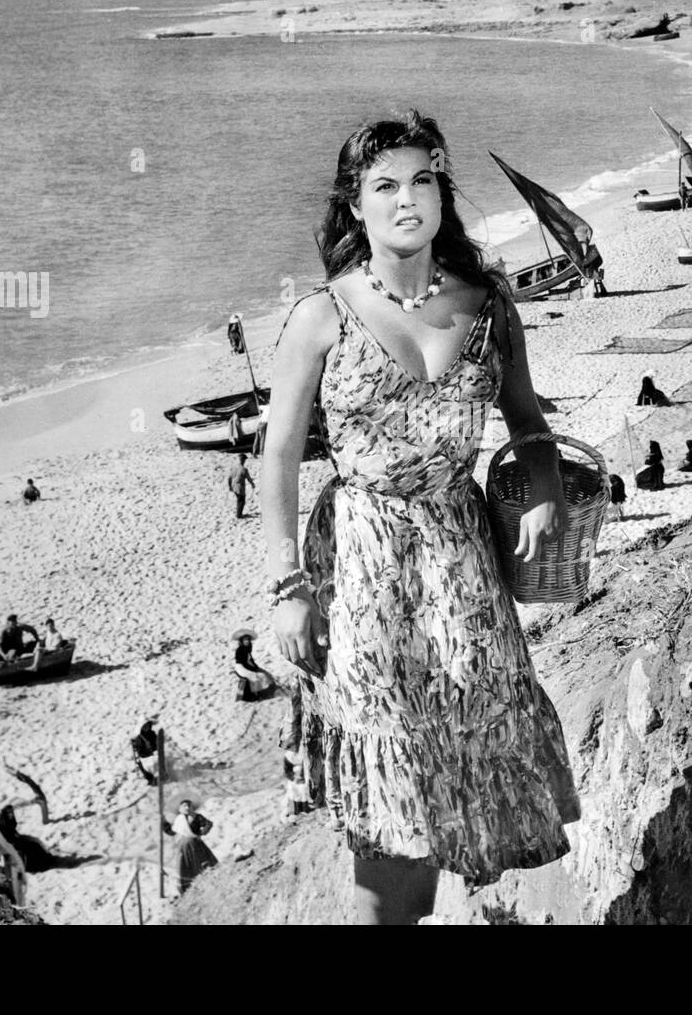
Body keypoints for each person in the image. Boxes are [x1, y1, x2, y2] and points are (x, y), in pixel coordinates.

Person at [260, 109, 579, 924]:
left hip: (461, 567)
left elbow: (527, 418)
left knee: (453, 776)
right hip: (364, 567)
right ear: (354, 207)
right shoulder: (318, 318)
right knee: (389, 797)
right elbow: (281, 458)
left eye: (424, 181)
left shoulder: (489, 306)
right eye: (385, 185)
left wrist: (542, 481)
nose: (409, 200)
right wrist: (289, 586)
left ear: (444, 194)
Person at [162, 799, 218, 896]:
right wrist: (163, 823)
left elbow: (208, 824)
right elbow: (171, 832)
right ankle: (187, 888)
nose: (187, 808)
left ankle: (208, 882)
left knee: (203, 863)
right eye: (184, 806)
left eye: (189, 805)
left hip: (196, 844)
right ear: (180, 809)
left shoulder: (196, 817)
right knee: (184, 866)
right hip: (183, 846)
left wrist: (202, 832)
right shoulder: (178, 820)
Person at [232, 628, 275, 702]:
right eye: (245, 640)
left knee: (263, 673)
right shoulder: (239, 650)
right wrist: (253, 669)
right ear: (242, 641)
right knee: (254, 676)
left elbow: (250, 659)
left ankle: (257, 692)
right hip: (241, 667)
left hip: (246, 665)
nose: (247, 641)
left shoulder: (247, 648)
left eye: (248, 639)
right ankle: (250, 696)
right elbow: (243, 663)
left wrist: (256, 667)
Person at [227, 453, 256, 518]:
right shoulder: (244, 469)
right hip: (240, 487)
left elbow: (229, 478)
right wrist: (252, 484)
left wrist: (230, 486)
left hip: (233, 486)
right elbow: (249, 478)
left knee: (238, 499)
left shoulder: (234, 468)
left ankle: (238, 513)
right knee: (241, 501)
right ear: (243, 460)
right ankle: (239, 515)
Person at [131, 720, 159, 785]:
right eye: (144, 726)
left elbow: (157, 743)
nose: (147, 727)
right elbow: (140, 752)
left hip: (155, 754)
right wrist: (149, 752)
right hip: (146, 757)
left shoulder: (152, 733)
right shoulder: (139, 738)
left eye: (147, 725)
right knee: (146, 764)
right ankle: (152, 779)